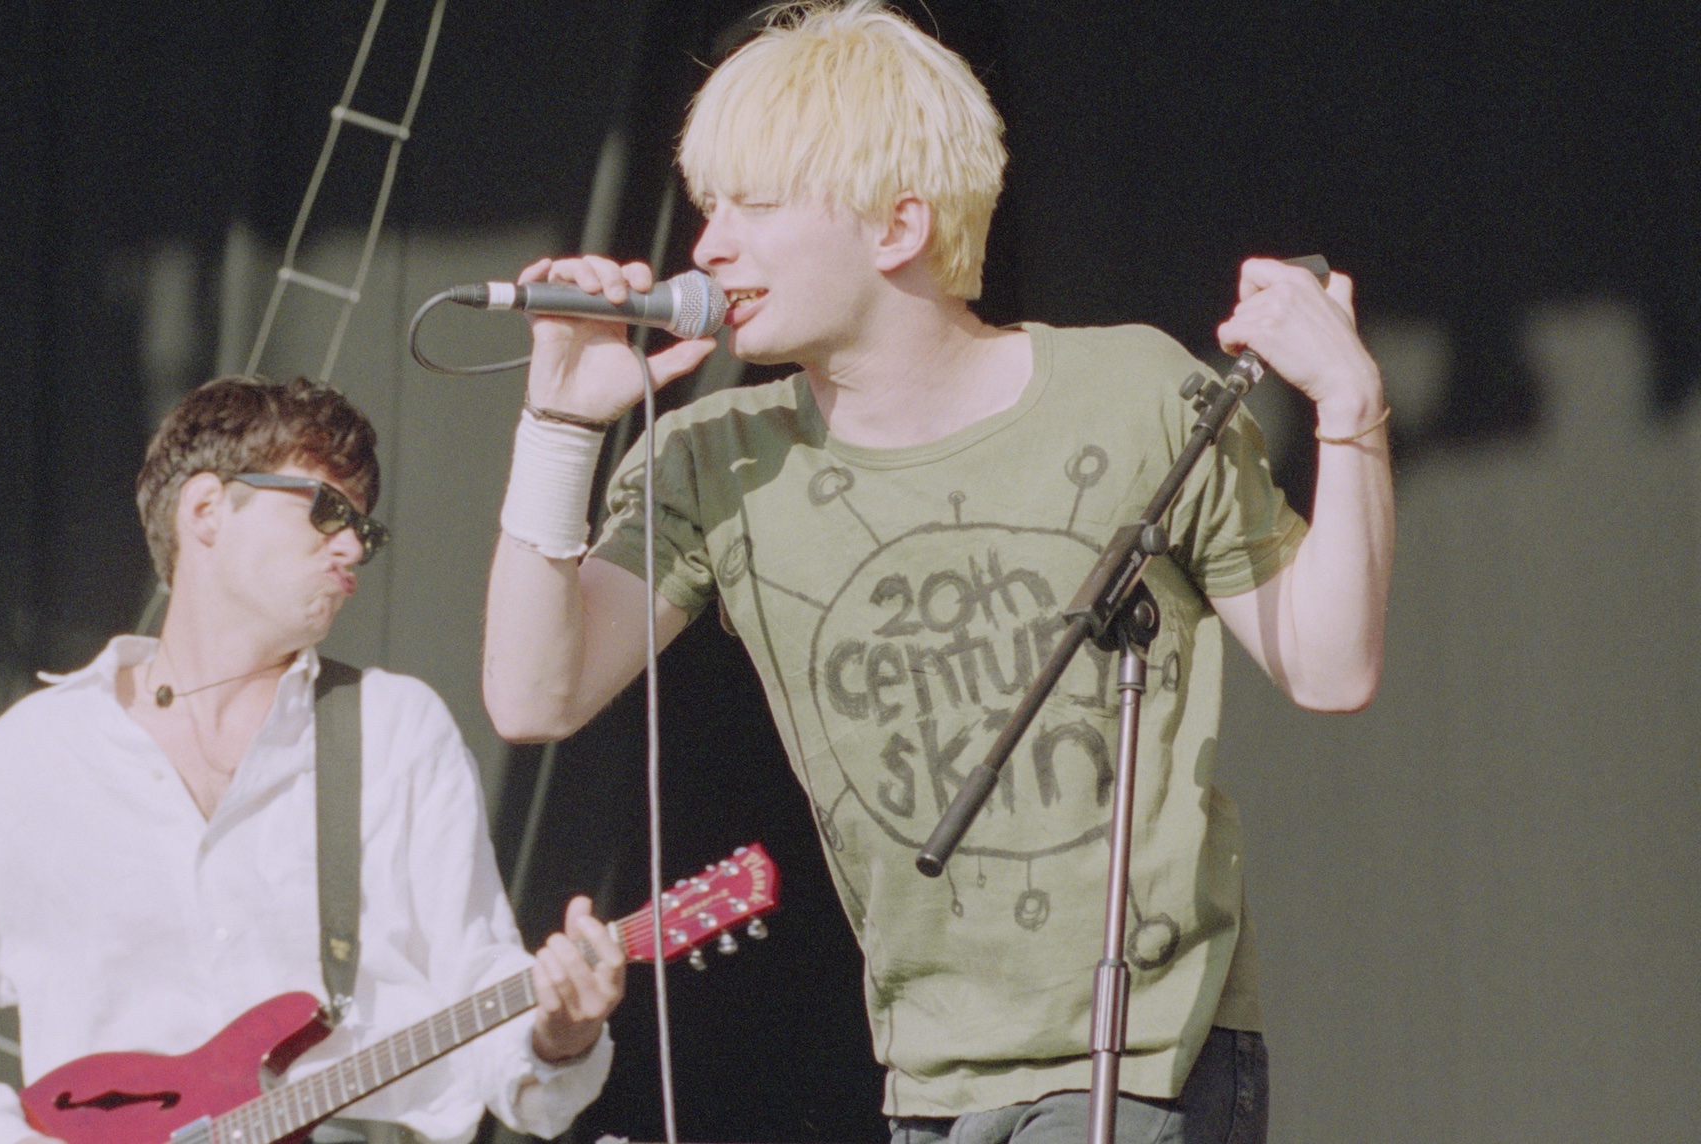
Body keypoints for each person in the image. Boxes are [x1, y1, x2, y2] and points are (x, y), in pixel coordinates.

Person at [480, 3, 1392, 1142]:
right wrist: (558, 425)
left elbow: (1329, 663)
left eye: (754, 205)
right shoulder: (714, 460)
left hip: (1146, 1051)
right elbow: (531, 694)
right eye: (709, 207)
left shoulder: (1133, 393)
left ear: (897, 224)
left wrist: (1349, 413)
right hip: (926, 1074)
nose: (709, 246)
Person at [0, 376, 625, 1144]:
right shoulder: (40, 755)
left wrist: (560, 1035)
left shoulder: (395, 729)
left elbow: (479, 983)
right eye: (325, 508)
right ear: (207, 509)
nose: (353, 544)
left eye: (366, 528)